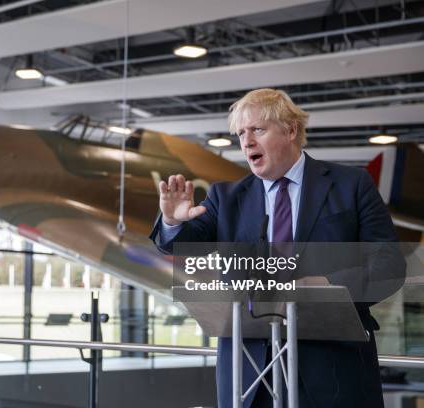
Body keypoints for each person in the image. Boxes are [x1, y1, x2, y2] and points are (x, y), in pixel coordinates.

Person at [149, 88, 403, 407]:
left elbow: (389, 265)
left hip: (333, 371)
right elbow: (181, 246)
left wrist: (327, 286)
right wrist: (173, 221)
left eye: (257, 129)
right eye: (241, 133)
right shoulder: (225, 198)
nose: (246, 141)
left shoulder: (352, 185)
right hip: (249, 375)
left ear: (290, 130)